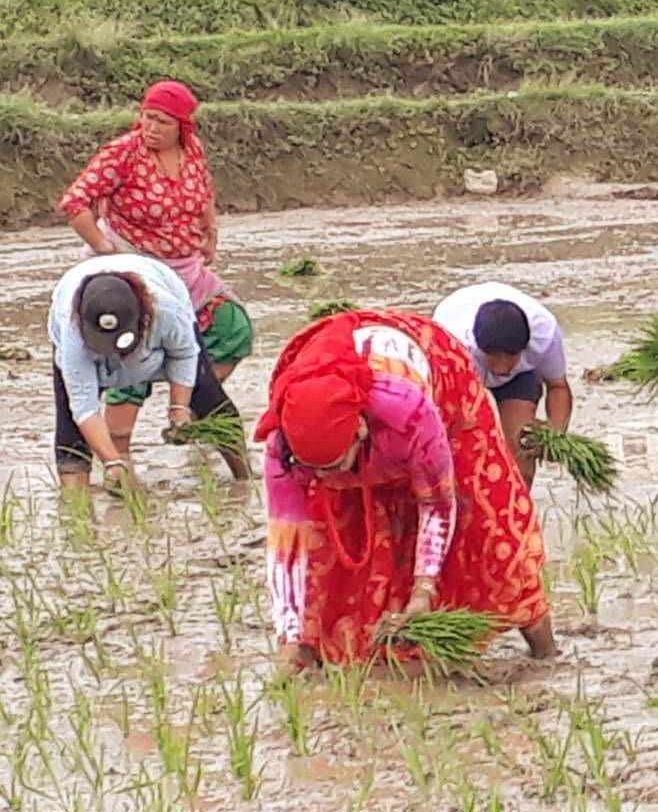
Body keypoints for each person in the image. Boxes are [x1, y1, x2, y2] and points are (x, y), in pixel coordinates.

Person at [257, 311, 556, 671]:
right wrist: (290, 634)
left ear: (360, 431)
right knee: (340, 553)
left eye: (335, 465)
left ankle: (546, 655)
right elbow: (287, 543)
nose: (326, 474)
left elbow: (437, 504)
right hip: (364, 435)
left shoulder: (410, 414)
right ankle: (322, 658)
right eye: (316, 469)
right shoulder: (282, 448)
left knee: (491, 536)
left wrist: (423, 591)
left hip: (446, 402)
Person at [59, 81, 253, 462]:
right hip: (135, 275)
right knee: (134, 344)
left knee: (233, 327)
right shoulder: (124, 153)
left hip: (186, 270)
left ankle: (191, 403)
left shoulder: (192, 151)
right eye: (148, 118)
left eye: (163, 122)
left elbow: (204, 192)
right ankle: (119, 454)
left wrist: (209, 230)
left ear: (182, 126)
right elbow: (74, 201)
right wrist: (102, 246)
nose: (151, 128)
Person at [49, 254, 246, 491]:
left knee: (207, 395)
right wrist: (113, 463)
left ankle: (245, 479)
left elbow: (183, 355)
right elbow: (84, 407)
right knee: (70, 431)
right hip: (80, 326)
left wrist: (178, 408)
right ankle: (76, 510)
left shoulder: (166, 310)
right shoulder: (73, 333)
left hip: (156, 312)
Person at [432, 282, 574, 486]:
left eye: (511, 357)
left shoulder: (544, 335)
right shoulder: (453, 346)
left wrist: (555, 435)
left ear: (525, 347)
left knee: (518, 449)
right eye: (493, 357)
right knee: (465, 456)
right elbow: (451, 414)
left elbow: (558, 387)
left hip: (520, 378)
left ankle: (519, 510)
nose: (501, 368)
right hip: (460, 377)